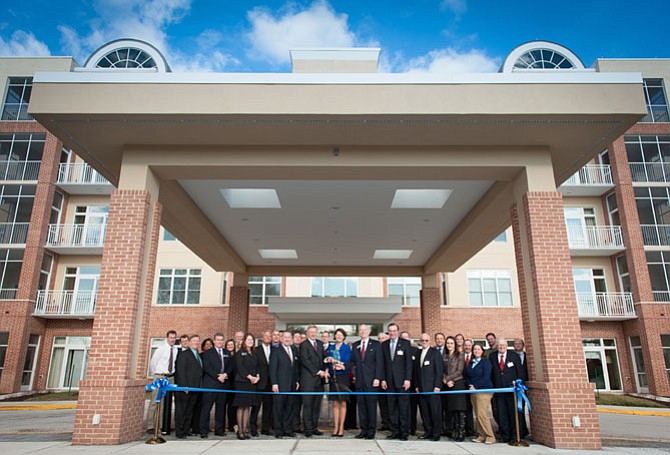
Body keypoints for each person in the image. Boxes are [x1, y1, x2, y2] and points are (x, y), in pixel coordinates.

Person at [348, 324, 383, 439]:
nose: (362, 332)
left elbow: (379, 363)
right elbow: (352, 361)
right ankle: (363, 430)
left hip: (372, 381)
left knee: (371, 407)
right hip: (360, 381)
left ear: (368, 332)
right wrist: (342, 366)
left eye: (364, 330)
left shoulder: (377, 345)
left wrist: (377, 378)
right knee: (361, 407)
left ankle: (371, 431)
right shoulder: (356, 345)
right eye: (360, 330)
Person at [381, 323, 412, 441]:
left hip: (402, 382)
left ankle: (404, 432)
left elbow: (408, 363)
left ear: (398, 331)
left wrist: (408, 379)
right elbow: (382, 364)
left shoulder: (405, 343)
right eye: (390, 331)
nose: (392, 333)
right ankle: (394, 431)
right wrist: (383, 379)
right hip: (389, 382)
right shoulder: (384, 345)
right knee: (392, 408)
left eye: (394, 331)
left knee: (403, 408)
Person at [199, 333, 232, 438]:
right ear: (214, 341)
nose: (220, 342)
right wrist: (217, 376)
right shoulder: (208, 353)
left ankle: (219, 430)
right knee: (206, 408)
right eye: (218, 340)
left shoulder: (227, 353)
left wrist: (225, 375)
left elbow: (231, 366)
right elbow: (207, 367)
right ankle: (203, 431)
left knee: (221, 408)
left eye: (221, 340)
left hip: (223, 385)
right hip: (211, 384)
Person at [489, 337, 521, 443]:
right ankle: (505, 435)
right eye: (499, 345)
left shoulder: (514, 356)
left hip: (511, 390)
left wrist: (520, 385)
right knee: (501, 414)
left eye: (503, 345)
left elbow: (519, 372)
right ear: (497, 346)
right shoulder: (492, 356)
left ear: (507, 346)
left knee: (512, 413)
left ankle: (514, 435)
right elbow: (491, 373)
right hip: (499, 390)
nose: (501, 347)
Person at [299, 325, 329, 437]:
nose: (313, 334)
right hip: (308, 381)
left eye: (314, 332)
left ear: (317, 333)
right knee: (308, 406)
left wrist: (328, 360)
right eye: (311, 332)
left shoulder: (320, 344)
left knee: (317, 406)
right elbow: (305, 361)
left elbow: (324, 357)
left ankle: (314, 427)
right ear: (307, 333)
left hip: (319, 382)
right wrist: (318, 372)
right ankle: (307, 429)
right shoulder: (303, 345)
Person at [270, 330, 300, 438]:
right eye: (285, 337)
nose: (287, 339)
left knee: (290, 408)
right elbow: (272, 369)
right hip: (280, 385)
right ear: (281, 339)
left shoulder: (293, 350)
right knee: (278, 409)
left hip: (292, 385)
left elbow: (295, 368)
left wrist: (296, 381)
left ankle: (288, 430)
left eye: (289, 337)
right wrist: (274, 383)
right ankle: (278, 431)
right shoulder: (276, 351)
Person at [147, 330, 178, 435]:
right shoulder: (161, 348)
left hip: (170, 378)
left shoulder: (175, 350)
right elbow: (153, 362)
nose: (172, 340)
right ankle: (150, 425)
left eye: (174, 338)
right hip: (160, 376)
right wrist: (157, 374)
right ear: (167, 338)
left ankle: (161, 425)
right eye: (171, 337)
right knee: (155, 401)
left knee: (165, 403)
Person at [464, 344, 495, 444]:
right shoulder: (471, 363)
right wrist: (470, 385)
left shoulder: (486, 362)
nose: (476, 351)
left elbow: (486, 377)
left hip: (484, 391)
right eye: (475, 349)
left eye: (478, 349)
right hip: (473, 391)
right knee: (477, 414)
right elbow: (467, 376)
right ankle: (481, 435)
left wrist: (475, 386)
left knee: (482, 414)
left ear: (482, 351)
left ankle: (490, 436)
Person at [415, 333, 443, 441]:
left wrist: (437, 386)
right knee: (425, 412)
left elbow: (439, 371)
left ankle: (436, 433)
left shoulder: (435, 353)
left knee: (435, 412)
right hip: (421, 389)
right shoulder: (418, 353)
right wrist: (417, 385)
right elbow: (416, 372)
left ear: (429, 341)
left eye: (426, 340)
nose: (424, 342)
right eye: (422, 340)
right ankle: (427, 432)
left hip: (432, 388)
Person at [174, 335, 202, 439]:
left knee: (189, 410)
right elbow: (181, 372)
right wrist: (184, 386)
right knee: (182, 410)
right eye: (194, 341)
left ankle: (186, 430)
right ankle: (179, 431)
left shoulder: (197, 355)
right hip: (185, 388)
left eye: (198, 341)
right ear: (189, 342)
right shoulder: (184, 354)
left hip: (195, 387)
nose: (196, 343)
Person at [233, 333, 260, 440]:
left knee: (247, 406)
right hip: (242, 382)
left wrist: (257, 376)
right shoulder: (240, 353)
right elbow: (240, 368)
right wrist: (250, 377)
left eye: (252, 340)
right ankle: (240, 431)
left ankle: (245, 430)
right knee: (241, 406)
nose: (250, 341)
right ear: (244, 341)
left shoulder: (254, 353)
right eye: (248, 339)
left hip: (251, 383)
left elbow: (257, 366)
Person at [325, 328, 351, 437]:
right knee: (335, 403)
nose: (339, 336)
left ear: (344, 337)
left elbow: (348, 361)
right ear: (335, 336)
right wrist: (327, 365)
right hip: (333, 377)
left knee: (343, 403)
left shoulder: (347, 348)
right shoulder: (331, 347)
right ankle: (335, 428)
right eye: (337, 335)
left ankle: (341, 428)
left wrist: (341, 365)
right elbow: (326, 360)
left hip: (343, 377)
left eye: (341, 335)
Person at [443, 335, 467, 441]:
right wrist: (445, 380)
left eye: (451, 343)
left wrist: (447, 379)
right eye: (448, 343)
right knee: (452, 410)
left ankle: (461, 432)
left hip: (458, 384)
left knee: (459, 410)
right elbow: (441, 370)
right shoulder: (444, 355)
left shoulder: (460, 355)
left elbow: (459, 371)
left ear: (455, 345)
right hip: (448, 386)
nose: (449, 345)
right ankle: (454, 431)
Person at [250, 330, 273, 436]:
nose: (268, 337)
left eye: (269, 336)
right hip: (259, 383)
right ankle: (253, 428)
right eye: (266, 336)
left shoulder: (275, 349)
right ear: (262, 338)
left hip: (270, 383)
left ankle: (265, 428)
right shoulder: (256, 350)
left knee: (268, 408)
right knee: (256, 407)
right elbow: (253, 365)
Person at [400, 331, 420, 436]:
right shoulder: (398, 350)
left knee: (412, 407)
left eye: (406, 338)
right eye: (403, 338)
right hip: (402, 383)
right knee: (403, 407)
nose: (405, 340)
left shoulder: (416, 350)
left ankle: (412, 427)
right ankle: (403, 427)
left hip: (413, 383)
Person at [514, 338, 530, 439]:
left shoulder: (528, 356)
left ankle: (525, 429)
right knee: (518, 409)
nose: (517, 345)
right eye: (515, 344)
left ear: (523, 345)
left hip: (526, 387)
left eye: (519, 343)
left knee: (525, 409)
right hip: (516, 387)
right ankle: (520, 430)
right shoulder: (512, 356)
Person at [434, 332, 448, 436]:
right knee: (438, 408)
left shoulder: (448, 351)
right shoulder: (433, 351)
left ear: (444, 340)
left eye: (441, 339)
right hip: (437, 384)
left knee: (447, 408)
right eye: (437, 339)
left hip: (448, 383)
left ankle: (447, 428)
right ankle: (440, 428)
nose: (439, 340)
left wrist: (446, 378)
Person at [376, 331, 391, 432]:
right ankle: (385, 422)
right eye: (379, 338)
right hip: (379, 380)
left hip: (388, 380)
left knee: (390, 402)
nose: (381, 340)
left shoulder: (389, 349)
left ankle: (392, 423)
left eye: (383, 338)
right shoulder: (377, 349)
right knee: (382, 403)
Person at [462, 339, 476, 437]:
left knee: (474, 409)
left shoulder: (476, 356)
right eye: (465, 345)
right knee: (465, 408)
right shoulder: (460, 356)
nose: (467, 347)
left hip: (473, 386)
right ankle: (465, 429)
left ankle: (471, 430)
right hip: (462, 386)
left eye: (469, 345)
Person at [292, 331, 304, 433]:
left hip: (303, 381)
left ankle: (297, 425)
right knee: (293, 405)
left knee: (299, 405)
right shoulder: (290, 349)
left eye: (299, 337)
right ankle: (292, 426)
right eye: (295, 337)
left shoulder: (302, 349)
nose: (297, 339)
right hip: (293, 381)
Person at [224, 339, 237, 433]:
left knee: (234, 406)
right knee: (226, 405)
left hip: (236, 384)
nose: (230, 346)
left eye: (232, 344)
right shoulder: (224, 355)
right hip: (226, 383)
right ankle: (229, 425)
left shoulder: (237, 356)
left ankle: (234, 424)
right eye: (228, 344)